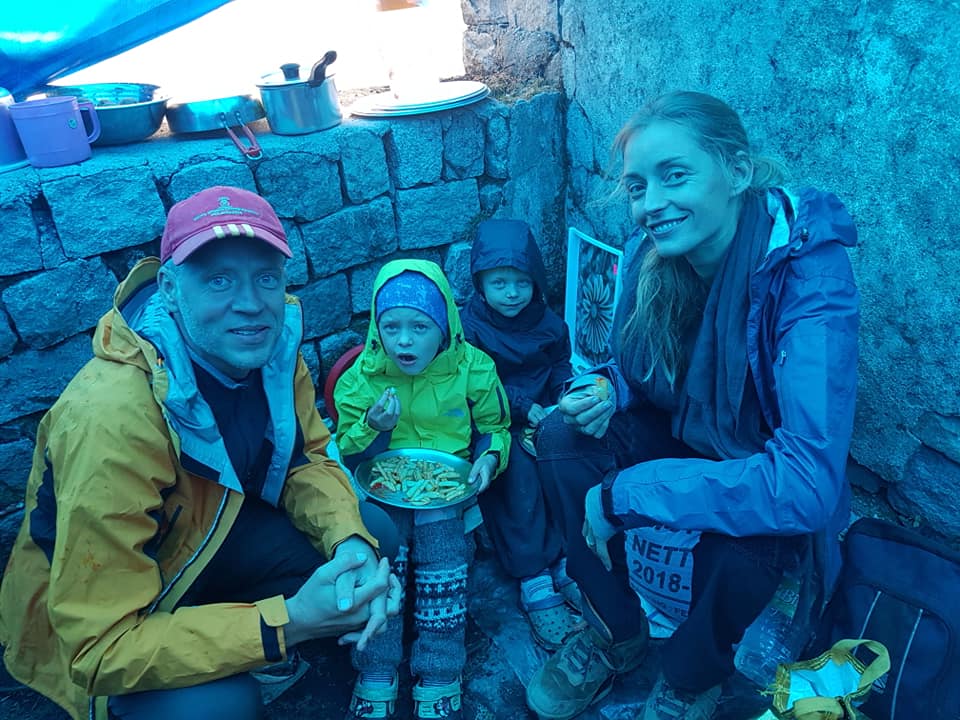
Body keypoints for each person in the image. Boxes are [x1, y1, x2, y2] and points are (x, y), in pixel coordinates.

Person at [0, 186, 402, 720]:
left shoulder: (270, 349)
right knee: (220, 705)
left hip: (204, 534)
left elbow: (305, 458)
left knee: (370, 534)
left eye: (266, 277)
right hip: (107, 618)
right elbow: (98, 649)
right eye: (218, 279)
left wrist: (348, 541)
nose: (251, 303)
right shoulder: (112, 417)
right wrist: (286, 624)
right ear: (169, 288)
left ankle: (232, 641)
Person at [524, 91, 860, 720]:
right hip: (686, 433)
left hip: (762, 464)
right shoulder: (651, 253)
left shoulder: (808, 278)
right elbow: (639, 370)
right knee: (563, 442)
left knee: (751, 545)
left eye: (674, 176)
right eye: (637, 187)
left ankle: (689, 677)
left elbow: (806, 483)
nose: (650, 204)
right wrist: (610, 389)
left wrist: (624, 494)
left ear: (737, 171)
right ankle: (616, 632)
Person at [334, 259, 511, 720]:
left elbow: (494, 428)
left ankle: (439, 668)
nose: (404, 341)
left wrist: (490, 458)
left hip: (445, 492)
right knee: (381, 562)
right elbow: (347, 452)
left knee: (443, 564)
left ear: (445, 326)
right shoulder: (362, 377)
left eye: (420, 327)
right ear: (376, 327)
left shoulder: (473, 368)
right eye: (391, 327)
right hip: (383, 489)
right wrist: (374, 427)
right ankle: (376, 665)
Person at [459, 218, 582, 651]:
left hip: (544, 412)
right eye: (499, 283)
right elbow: (471, 382)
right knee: (518, 473)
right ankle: (534, 576)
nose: (511, 293)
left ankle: (568, 558)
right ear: (480, 283)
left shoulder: (549, 324)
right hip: (493, 418)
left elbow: (561, 365)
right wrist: (523, 406)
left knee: (569, 459)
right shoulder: (469, 328)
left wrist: (567, 398)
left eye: (521, 282)